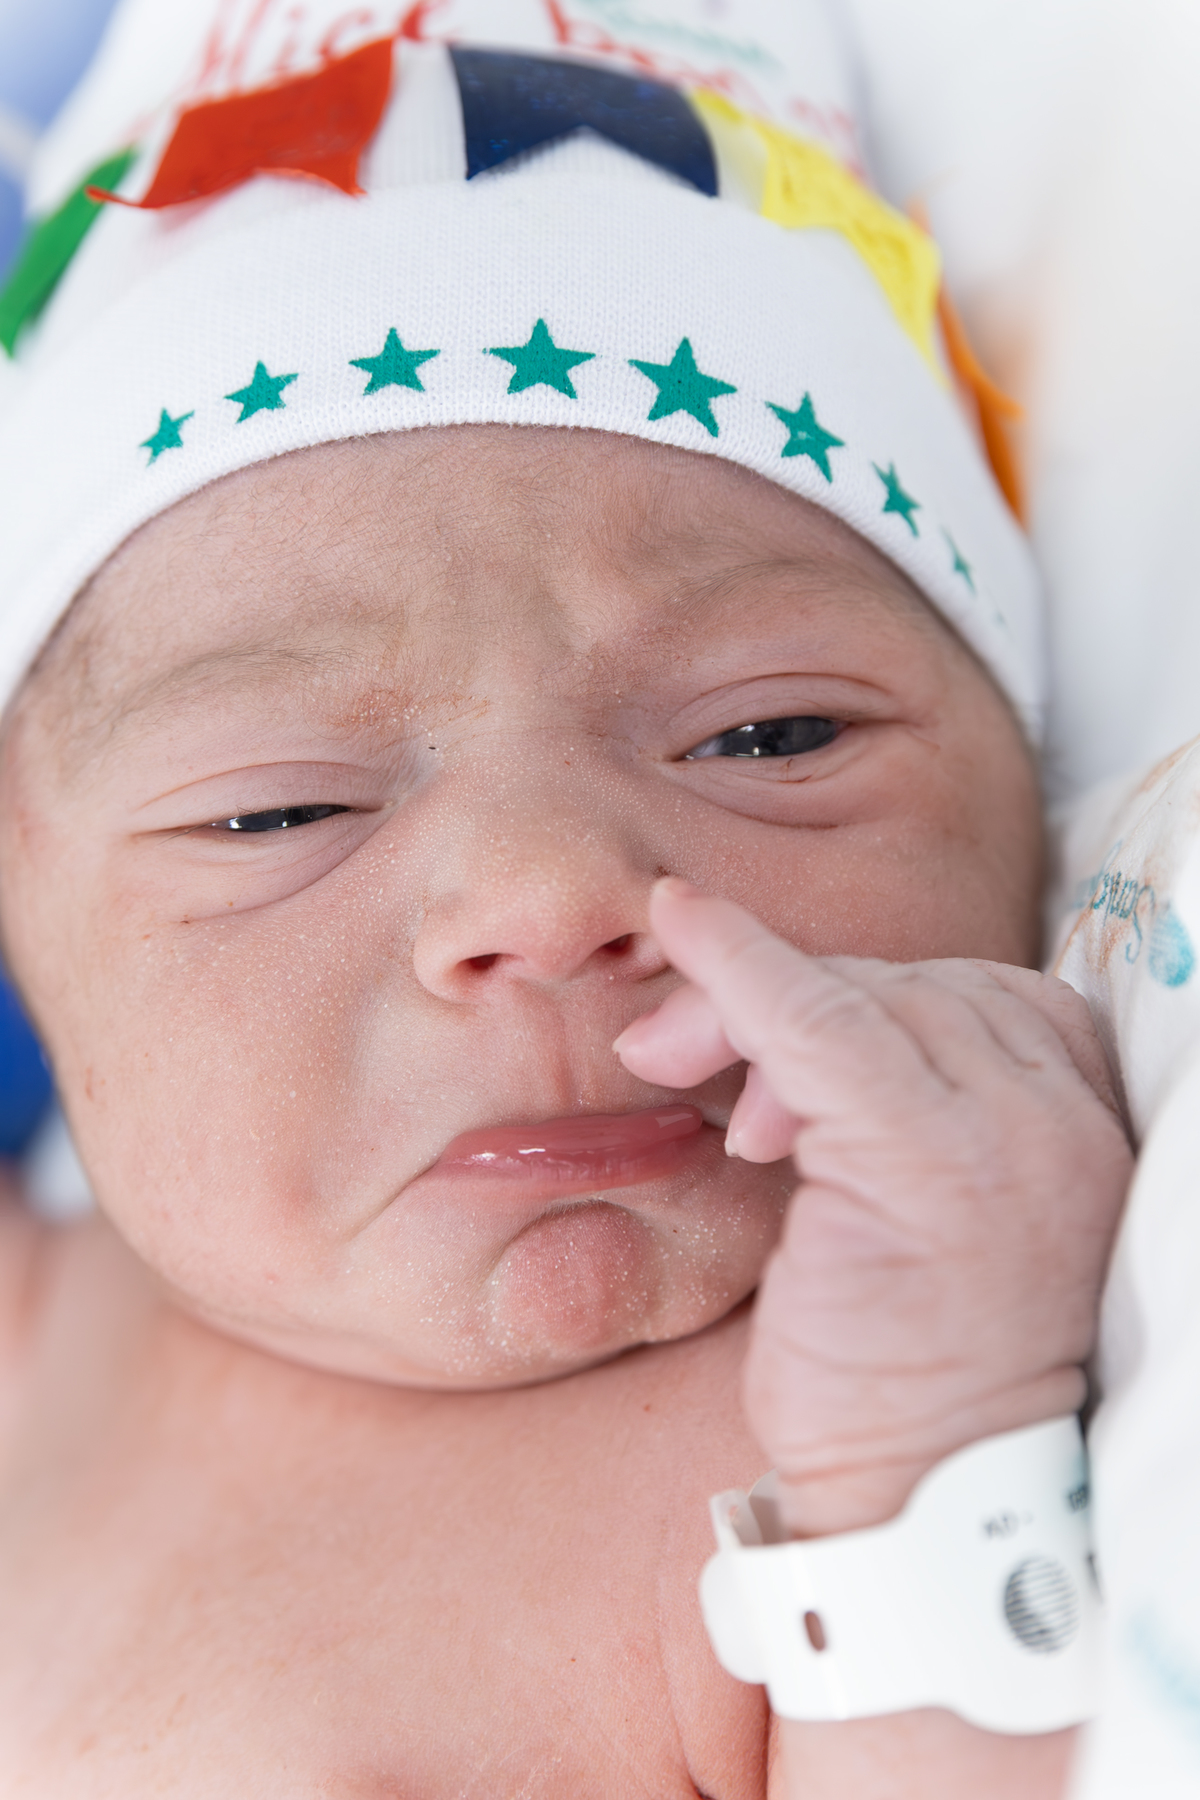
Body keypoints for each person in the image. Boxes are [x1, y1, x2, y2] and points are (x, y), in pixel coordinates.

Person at [0, 1, 1133, 1791]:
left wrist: (938, 1443)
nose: (546, 894)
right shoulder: (35, 1344)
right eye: (281, 809)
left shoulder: (841, 1448)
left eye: (768, 735)